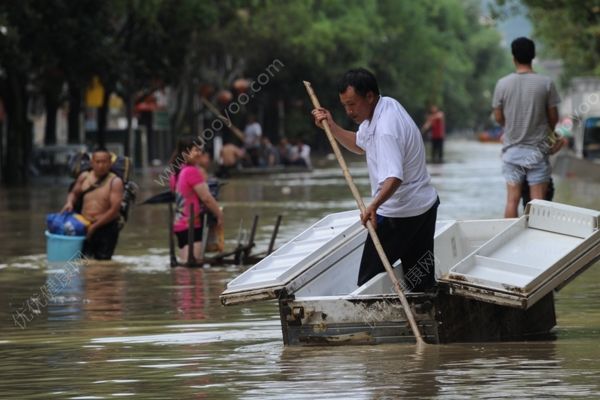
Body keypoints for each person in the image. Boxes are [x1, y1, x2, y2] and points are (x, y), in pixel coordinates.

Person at [311, 68, 440, 292]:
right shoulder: (385, 106)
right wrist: (331, 127)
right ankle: (426, 317)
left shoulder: (386, 129)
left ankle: (378, 324)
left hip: (398, 215)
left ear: (369, 96)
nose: (349, 111)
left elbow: (394, 177)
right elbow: (361, 145)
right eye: (345, 106)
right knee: (420, 282)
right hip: (424, 207)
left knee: (367, 283)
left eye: (352, 104)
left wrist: (374, 205)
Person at [492, 37, 560, 218]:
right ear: (533, 56)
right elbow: (554, 118)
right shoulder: (546, 83)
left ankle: (510, 243)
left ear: (513, 57)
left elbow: (498, 117)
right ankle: (536, 243)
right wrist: (548, 130)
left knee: (512, 200)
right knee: (538, 202)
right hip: (537, 152)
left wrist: (510, 126)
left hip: (512, 151)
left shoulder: (502, 84)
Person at [61, 147, 124, 260]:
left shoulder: (115, 182)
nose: (101, 165)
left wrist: (94, 227)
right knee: (82, 262)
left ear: (110, 163)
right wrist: (69, 203)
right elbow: (74, 193)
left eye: (104, 162)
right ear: (92, 163)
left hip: (106, 228)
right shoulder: (84, 177)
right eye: (98, 162)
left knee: (102, 263)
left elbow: (114, 211)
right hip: (84, 226)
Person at [169, 135, 224, 263]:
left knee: (184, 265)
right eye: (196, 150)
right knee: (195, 268)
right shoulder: (191, 171)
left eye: (200, 150)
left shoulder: (176, 171)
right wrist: (219, 214)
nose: (200, 153)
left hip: (179, 225)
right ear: (186, 152)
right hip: (192, 225)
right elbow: (206, 198)